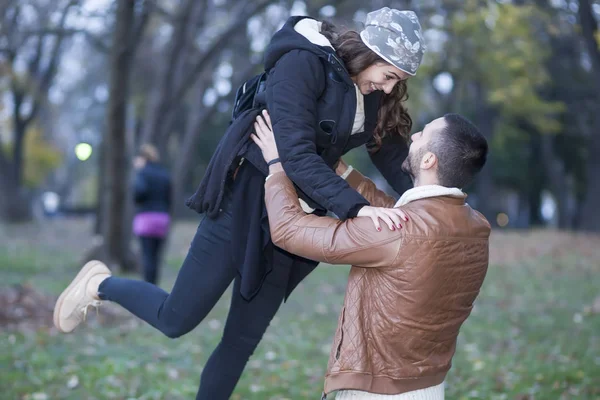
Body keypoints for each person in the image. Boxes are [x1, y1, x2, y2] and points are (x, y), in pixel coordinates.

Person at [53, 8, 425, 399]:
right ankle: (99, 283)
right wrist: (359, 208)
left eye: (396, 82)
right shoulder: (303, 63)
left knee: (240, 343)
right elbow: (295, 155)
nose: (387, 88)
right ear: (368, 51)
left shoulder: (373, 95)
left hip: (293, 222)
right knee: (175, 319)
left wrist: (430, 196)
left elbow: (392, 154)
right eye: (387, 76)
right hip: (244, 201)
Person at [251, 111, 490, 400]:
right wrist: (334, 166)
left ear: (429, 160)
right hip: (429, 387)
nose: (413, 137)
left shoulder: (401, 233)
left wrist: (276, 165)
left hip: (373, 392)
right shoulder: (475, 227)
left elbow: (289, 230)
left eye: (422, 134)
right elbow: (396, 215)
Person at [132, 144, 172, 284]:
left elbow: (139, 193)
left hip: (146, 218)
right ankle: (155, 285)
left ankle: (147, 285)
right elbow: (169, 197)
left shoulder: (142, 173)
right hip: (162, 218)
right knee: (156, 256)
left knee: (147, 255)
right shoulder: (164, 173)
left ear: (142, 158)